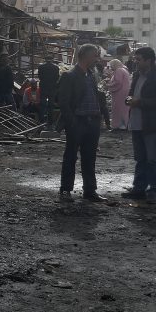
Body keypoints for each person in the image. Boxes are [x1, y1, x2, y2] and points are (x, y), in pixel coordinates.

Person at [56, 43, 107, 203]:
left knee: (89, 157)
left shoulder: (91, 75)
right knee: (71, 156)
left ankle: (90, 191)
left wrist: (99, 117)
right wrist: (71, 122)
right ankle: (66, 190)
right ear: (85, 56)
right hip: (77, 122)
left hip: (92, 122)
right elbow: (63, 102)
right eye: (95, 55)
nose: (97, 59)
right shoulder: (69, 76)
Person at [123, 46, 156, 205]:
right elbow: (132, 93)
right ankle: (138, 189)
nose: (136, 62)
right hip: (136, 122)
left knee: (152, 159)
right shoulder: (138, 75)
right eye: (135, 59)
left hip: (151, 124)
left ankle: (153, 190)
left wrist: (139, 102)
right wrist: (129, 99)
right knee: (140, 158)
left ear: (149, 60)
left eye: (139, 60)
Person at [107, 58, 132, 130]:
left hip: (120, 93)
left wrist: (108, 85)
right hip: (125, 92)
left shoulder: (119, 70)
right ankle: (124, 124)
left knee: (118, 108)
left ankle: (118, 125)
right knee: (125, 109)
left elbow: (118, 82)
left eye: (111, 65)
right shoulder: (124, 70)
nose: (111, 67)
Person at [38, 55, 60, 127]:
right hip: (52, 88)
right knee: (51, 105)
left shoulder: (41, 67)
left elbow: (39, 77)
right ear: (52, 59)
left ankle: (42, 120)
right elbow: (57, 77)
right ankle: (50, 122)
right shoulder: (56, 67)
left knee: (42, 104)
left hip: (43, 87)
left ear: (45, 59)